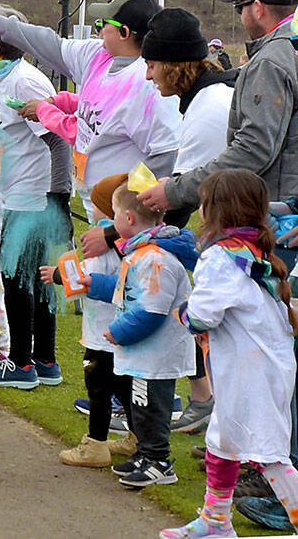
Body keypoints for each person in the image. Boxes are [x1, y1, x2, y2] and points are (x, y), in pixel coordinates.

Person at [160, 169, 298, 539]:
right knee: (222, 440)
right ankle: (215, 519)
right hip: (256, 364)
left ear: (216, 210)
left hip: (251, 369)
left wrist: (182, 312)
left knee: (267, 452)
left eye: (204, 203)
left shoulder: (222, 257)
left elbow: (204, 314)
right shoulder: (251, 249)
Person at [0, 0, 180, 211]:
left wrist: (125, 212)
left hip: (124, 212)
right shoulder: (97, 54)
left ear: (124, 33)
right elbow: (48, 43)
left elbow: (164, 157)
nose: (99, 30)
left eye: (104, 24)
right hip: (94, 198)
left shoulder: (149, 87)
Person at [0, 7, 68, 390]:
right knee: (32, 278)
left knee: (17, 278)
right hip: (15, 192)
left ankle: (22, 365)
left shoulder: (26, 83)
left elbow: (58, 140)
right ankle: (45, 362)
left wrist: (58, 199)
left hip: (33, 195)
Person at [142, 7, 235, 433]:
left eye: (153, 64)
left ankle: (217, 412)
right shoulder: (202, 97)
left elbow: (181, 198)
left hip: (247, 234)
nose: (148, 75)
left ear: (176, 66)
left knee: (200, 309)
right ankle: (212, 407)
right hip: (234, 228)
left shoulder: (208, 106)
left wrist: (125, 234)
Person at [142, 0, 298, 215]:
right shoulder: (289, 50)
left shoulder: (270, 61)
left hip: (278, 220)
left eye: (240, 7)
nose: (240, 15)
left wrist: (175, 191)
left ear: (258, 8)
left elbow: (253, 150)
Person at [78, 178, 197, 487]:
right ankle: (146, 454)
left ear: (128, 219)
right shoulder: (138, 253)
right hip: (145, 352)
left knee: (152, 409)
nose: (112, 223)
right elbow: (124, 290)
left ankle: (159, 462)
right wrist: (96, 285)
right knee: (140, 406)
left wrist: (117, 332)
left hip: (158, 353)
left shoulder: (154, 259)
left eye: (115, 215)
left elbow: (151, 310)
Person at [40, 174, 132, 468]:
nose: (91, 209)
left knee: (98, 388)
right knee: (125, 387)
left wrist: (55, 274)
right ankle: (136, 436)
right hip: (122, 331)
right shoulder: (127, 244)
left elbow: (83, 279)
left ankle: (95, 445)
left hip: (100, 335)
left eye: (96, 205)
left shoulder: (100, 244)